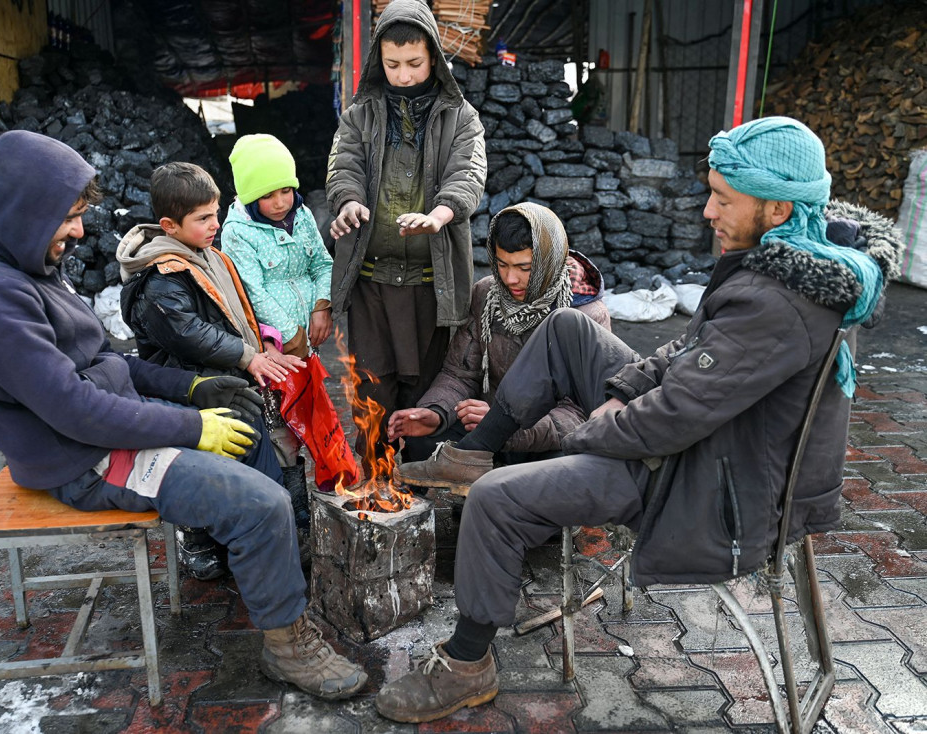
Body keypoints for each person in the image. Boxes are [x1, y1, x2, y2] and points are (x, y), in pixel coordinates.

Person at [376, 116, 902, 723]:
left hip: (698, 481)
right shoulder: (779, 265)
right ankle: (476, 449)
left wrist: (592, 430)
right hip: (699, 445)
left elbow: (673, 418)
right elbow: (683, 354)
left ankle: (468, 665)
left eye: (722, 199)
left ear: (778, 209)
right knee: (568, 328)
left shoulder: (776, 303)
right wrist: (626, 389)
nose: (708, 211)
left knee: (495, 499)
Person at [0, 130, 367, 701]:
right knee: (259, 504)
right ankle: (286, 644)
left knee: (245, 430)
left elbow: (112, 363)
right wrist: (194, 426)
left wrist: (196, 386)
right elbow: (78, 412)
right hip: (87, 459)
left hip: (112, 425)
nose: (79, 231)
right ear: (25, 211)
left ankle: (266, 567)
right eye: (67, 217)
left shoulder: (26, 270)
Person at [117, 161, 306, 581]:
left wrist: (267, 342)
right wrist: (247, 356)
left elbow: (235, 312)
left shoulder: (208, 256)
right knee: (225, 453)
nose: (214, 224)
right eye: (202, 218)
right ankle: (201, 534)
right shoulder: (161, 277)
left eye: (215, 213)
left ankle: (274, 531)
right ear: (169, 225)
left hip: (223, 378)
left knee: (272, 440)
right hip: (185, 390)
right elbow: (189, 333)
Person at [325, 0, 486, 463]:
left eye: (414, 63)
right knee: (372, 392)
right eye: (393, 65)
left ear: (433, 56)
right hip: (371, 284)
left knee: (428, 394)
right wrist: (348, 201)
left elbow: (468, 173)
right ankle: (375, 488)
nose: (404, 75)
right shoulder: (361, 114)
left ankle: (421, 486)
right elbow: (344, 166)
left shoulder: (461, 117)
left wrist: (440, 214)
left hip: (431, 285)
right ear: (380, 60)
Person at [386, 202, 610, 477]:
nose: (510, 278)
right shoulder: (487, 294)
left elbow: (578, 413)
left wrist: (502, 425)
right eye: (501, 264)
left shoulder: (585, 314)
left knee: (568, 463)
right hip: (486, 425)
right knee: (422, 441)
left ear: (548, 260)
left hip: (543, 436)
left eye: (524, 267)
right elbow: (459, 374)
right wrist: (436, 412)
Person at [219, 133, 339, 508]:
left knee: (312, 414)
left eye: (286, 190)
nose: (280, 202)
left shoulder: (300, 215)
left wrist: (322, 305)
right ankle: (293, 504)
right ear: (251, 196)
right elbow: (253, 293)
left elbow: (322, 262)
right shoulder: (238, 232)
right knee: (280, 426)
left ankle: (325, 482)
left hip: (307, 343)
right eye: (268, 195)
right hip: (272, 347)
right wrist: (292, 333)